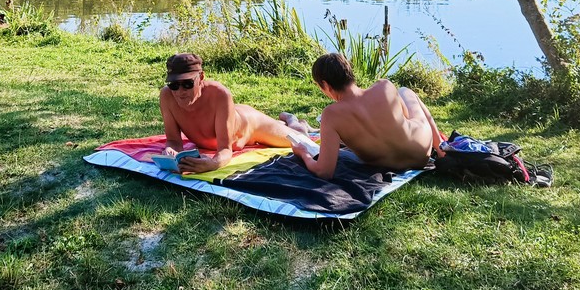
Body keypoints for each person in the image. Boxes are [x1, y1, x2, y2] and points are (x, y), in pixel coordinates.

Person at [290, 53, 445, 179]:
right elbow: (404, 118)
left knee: (404, 91)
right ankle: (441, 149)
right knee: (404, 91)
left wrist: (303, 154)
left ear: (326, 85)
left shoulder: (331, 115)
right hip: (421, 153)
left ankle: (441, 149)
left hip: (389, 164)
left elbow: (324, 172)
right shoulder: (384, 86)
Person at [159, 52, 297, 173]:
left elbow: (225, 148)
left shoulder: (220, 94)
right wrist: (171, 151)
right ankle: (283, 122)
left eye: (187, 84)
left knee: (301, 141)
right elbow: (173, 141)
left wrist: (213, 164)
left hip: (252, 125)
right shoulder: (167, 96)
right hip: (229, 116)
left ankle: (294, 121)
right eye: (174, 85)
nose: (180, 92)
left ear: (201, 78)